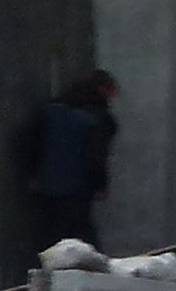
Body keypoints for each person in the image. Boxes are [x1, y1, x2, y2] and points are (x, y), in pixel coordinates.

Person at [19, 70, 117, 251]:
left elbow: (29, 141)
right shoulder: (98, 118)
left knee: (48, 236)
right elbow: (97, 155)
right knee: (80, 240)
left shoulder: (50, 109)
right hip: (77, 188)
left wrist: (31, 173)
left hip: (46, 184)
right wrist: (100, 185)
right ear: (103, 89)